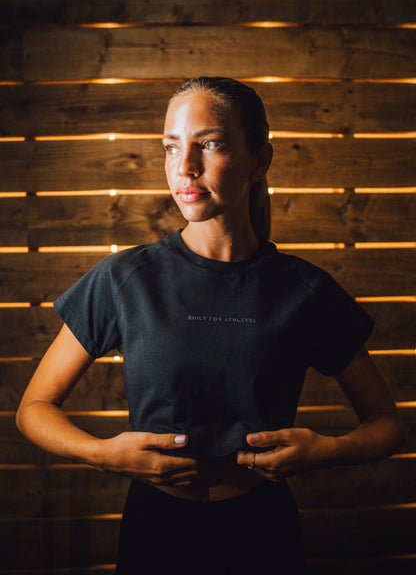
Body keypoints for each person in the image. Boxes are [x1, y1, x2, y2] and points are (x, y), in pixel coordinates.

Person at [16, 77, 404, 574]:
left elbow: (386, 425)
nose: (185, 167)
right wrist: (102, 454)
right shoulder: (124, 278)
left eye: (211, 144)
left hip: (263, 533)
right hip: (153, 531)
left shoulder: (305, 289)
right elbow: (34, 409)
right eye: (171, 147)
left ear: (260, 158)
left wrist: (328, 450)